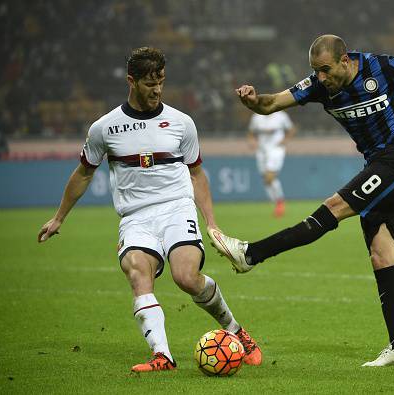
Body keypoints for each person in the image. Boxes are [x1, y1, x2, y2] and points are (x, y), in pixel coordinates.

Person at [208, 35, 394, 367]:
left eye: (325, 70)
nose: (321, 78)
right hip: (377, 167)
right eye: (315, 71)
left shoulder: (380, 66)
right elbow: (269, 104)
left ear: (344, 60)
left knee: (334, 206)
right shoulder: (317, 85)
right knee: (382, 256)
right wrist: (252, 99)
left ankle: (251, 254)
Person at [37, 47, 262, 372]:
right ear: (131, 81)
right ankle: (162, 356)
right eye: (149, 83)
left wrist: (211, 223)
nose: (157, 89)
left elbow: (196, 173)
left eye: (161, 82)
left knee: (185, 277)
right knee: (138, 273)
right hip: (135, 218)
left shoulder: (182, 124)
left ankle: (237, 331)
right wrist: (59, 217)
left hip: (176, 209)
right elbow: (84, 172)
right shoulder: (105, 128)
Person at [247, 111, 296, 217]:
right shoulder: (256, 117)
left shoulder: (281, 115)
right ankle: (277, 203)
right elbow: (251, 131)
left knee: (270, 176)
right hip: (261, 151)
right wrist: (252, 141)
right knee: (266, 180)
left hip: (276, 150)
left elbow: (291, 129)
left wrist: (285, 140)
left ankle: (280, 203)